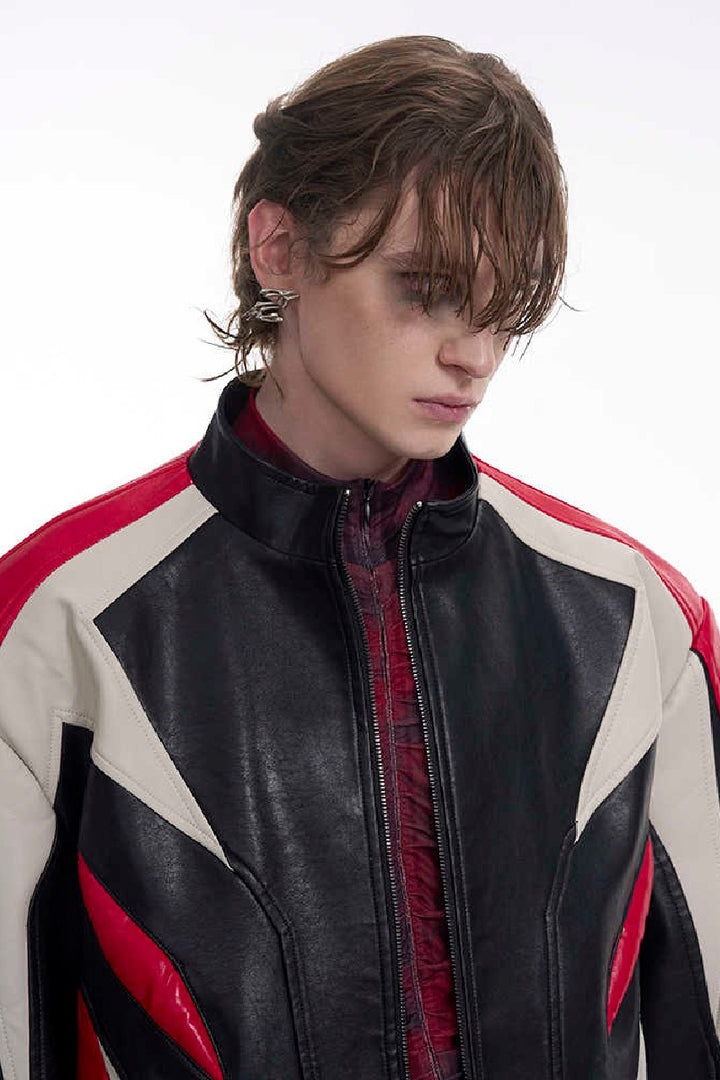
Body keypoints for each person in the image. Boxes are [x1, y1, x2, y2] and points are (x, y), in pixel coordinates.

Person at [0, 33, 718, 1080]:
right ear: (279, 248)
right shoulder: (58, 624)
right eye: (423, 289)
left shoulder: (636, 622)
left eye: (505, 309)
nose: (473, 353)